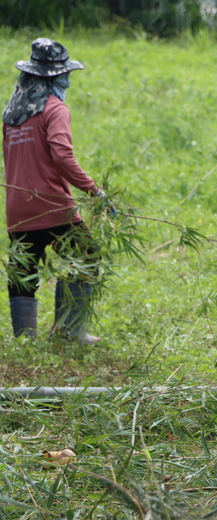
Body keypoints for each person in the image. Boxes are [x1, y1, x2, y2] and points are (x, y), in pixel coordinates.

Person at [3, 38, 104, 344]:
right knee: (86, 256)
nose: (67, 81)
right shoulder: (54, 109)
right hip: (52, 205)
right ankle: (69, 331)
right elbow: (62, 156)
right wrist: (93, 191)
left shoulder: (11, 113)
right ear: (52, 78)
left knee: (24, 270)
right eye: (64, 76)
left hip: (17, 208)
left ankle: (25, 340)